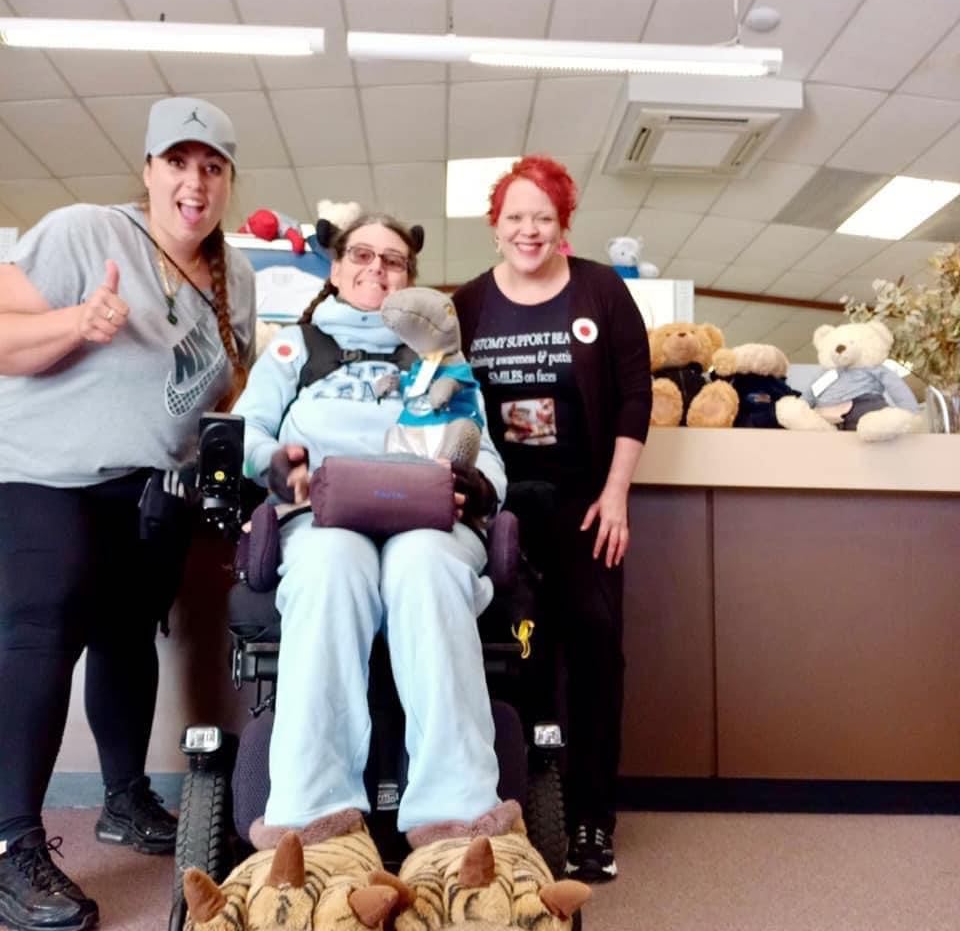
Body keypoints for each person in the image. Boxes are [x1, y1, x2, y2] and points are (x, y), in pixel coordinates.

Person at [0, 97, 256, 931]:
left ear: (228, 180)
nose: (194, 182)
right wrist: (77, 321)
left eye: (211, 166)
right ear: (148, 169)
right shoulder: (85, 232)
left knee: (125, 635)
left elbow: (228, 391)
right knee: (43, 627)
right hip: (46, 475)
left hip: (150, 490)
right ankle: (9, 846)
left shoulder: (237, 275)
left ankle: (122, 800)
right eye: (176, 162)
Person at [231, 213, 519, 854]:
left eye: (392, 260)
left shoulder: (443, 359)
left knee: (424, 567)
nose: (376, 269)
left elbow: (487, 456)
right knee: (331, 567)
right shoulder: (296, 348)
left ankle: (457, 817)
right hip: (322, 516)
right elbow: (248, 430)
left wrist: (477, 484)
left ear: (409, 278)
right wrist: (271, 462)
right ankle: (312, 820)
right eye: (361, 255)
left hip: (430, 518)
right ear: (335, 268)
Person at [454, 155, 652, 883]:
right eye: (515, 217)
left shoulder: (601, 290)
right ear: (495, 225)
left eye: (543, 217)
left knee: (594, 649)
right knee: (512, 656)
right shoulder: (467, 304)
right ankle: (512, 813)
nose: (528, 230)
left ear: (563, 224)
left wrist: (617, 492)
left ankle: (593, 819)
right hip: (496, 509)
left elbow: (635, 393)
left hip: (585, 505)